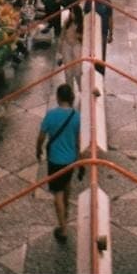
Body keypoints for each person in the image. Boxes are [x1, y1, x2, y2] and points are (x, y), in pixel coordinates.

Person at [36, 84, 81, 243]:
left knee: (57, 192)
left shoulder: (51, 115)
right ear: (71, 98)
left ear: (58, 97)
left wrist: (38, 149)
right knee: (67, 183)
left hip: (55, 160)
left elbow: (41, 136)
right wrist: (79, 159)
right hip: (70, 159)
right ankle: (66, 210)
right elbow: (78, 140)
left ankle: (63, 228)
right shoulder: (77, 116)